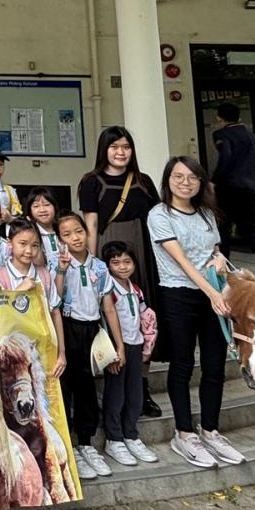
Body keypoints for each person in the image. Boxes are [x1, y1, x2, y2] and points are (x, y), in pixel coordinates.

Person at [148, 155, 246, 471]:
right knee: (183, 364)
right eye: (178, 177)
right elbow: (182, 261)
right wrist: (212, 293)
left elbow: (213, 250)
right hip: (179, 294)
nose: (185, 183)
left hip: (213, 294)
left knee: (215, 365)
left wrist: (219, 260)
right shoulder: (159, 214)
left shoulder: (206, 213)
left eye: (192, 177)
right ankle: (184, 433)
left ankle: (211, 430)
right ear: (168, 180)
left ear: (201, 182)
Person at [77, 126, 163, 418]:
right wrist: (91, 263)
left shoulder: (143, 181)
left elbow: (157, 219)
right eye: (114, 147)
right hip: (106, 249)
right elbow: (90, 225)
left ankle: (142, 386)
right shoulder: (91, 182)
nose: (121, 152)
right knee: (111, 314)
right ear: (104, 150)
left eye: (126, 147)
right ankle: (115, 385)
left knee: (141, 317)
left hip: (141, 253)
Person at [55, 211, 123, 480]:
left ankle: (86, 444)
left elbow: (109, 308)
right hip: (66, 329)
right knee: (65, 389)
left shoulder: (100, 267)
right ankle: (69, 446)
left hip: (91, 331)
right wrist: (61, 270)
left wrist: (119, 346)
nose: (75, 238)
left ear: (87, 232)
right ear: (60, 239)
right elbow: (55, 299)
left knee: (87, 388)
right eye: (67, 234)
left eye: (79, 231)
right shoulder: (57, 263)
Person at [99, 240, 159, 468]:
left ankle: (131, 435)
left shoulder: (135, 289)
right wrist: (114, 350)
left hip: (136, 345)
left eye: (127, 262)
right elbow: (105, 318)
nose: (122, 267)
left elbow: (145, 317)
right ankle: (114, 439)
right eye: (116, 263)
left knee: (135, 394)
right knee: (116, 394)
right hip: (118, 347)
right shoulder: (109, 288)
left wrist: (148, 344)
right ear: (107, 265)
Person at [211, 103, 255, 273]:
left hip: (228, 186)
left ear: (219, 117)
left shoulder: (221, 134)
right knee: (247, 226)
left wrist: (214, 181)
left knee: (223, 226)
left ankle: (224, 264)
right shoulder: (251, 136)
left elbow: (226, 158)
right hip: (249, 186)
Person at [4, 219, 64, 345]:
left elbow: (55, 313)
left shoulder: (44, 275)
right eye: (23, 243)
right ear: (9, 243)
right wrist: (18, 291)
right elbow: (0, 316)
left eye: (35, 245)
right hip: (14, 346)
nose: (29, 250)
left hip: (45, 344)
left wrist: (62, 351)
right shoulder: (0, 276)